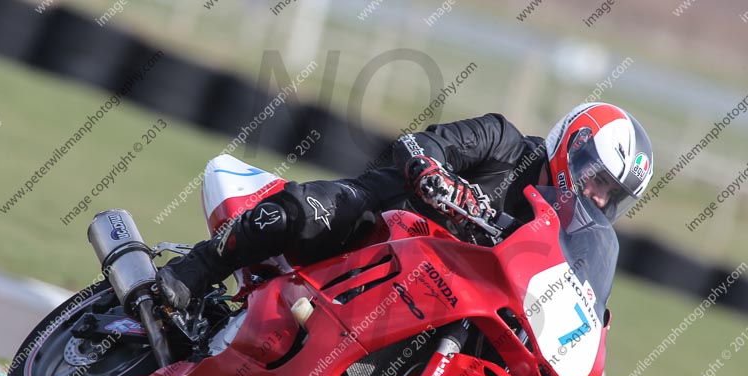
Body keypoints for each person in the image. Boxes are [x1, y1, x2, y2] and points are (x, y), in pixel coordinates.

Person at [157, 102, 653, 309]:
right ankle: (197, 266)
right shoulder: (503, 142)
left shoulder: (564, 235)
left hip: (436, 286)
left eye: (612, 195)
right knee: (316, 209)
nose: (597, 196)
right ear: (574, 145)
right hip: (381, 221)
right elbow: (421, 143)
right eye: (598, 180)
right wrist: (436, 176)